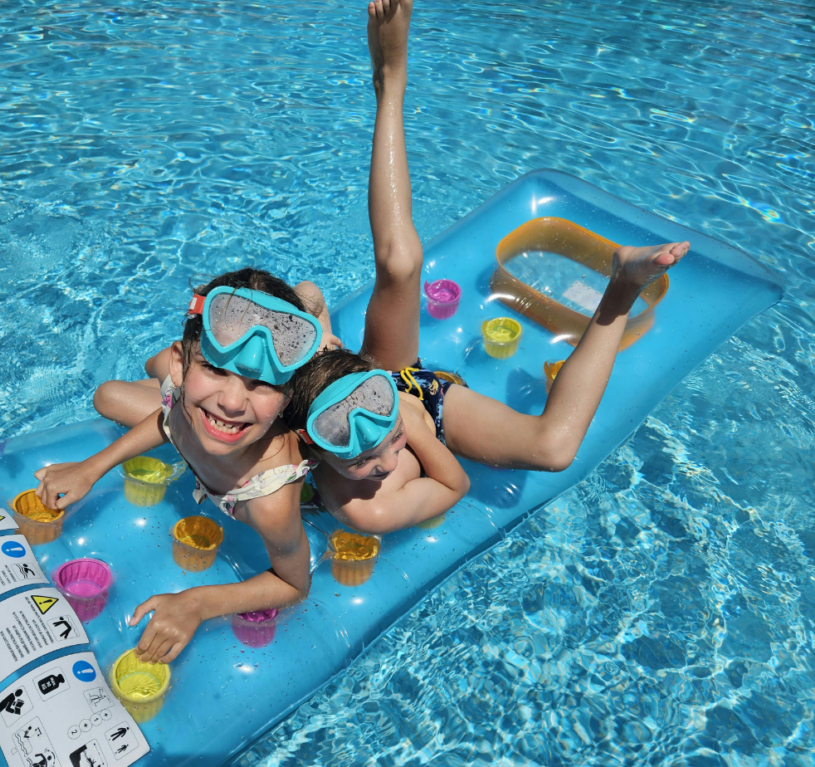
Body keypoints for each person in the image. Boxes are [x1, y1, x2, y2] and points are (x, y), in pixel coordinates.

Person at [282, 0, 689, 533]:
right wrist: (417, 433)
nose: (382, 463)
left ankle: (390, 84)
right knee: (554, 449)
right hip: (420, 414)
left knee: (401, 262)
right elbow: (454, 486)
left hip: (380, 384)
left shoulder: (360, 398)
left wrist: (325, 332)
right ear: (313, 451)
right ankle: (621, 284)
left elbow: (310, 297)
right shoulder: (365, 507)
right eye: (361, 460)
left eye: (381, 447)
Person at [34, 269, 326, 664]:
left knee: (310, 360)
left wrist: (199, 602)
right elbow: (170, 421)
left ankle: (315, 316)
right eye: (217, 369)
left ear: (285, 397)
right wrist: (91, 467)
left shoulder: (269, 503)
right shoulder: (187, 404)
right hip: (180, 391)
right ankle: (177, 365)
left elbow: (295, 585)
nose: (234, 403)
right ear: (182, 362)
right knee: (108, 396)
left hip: (245, 422)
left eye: (260, 384)